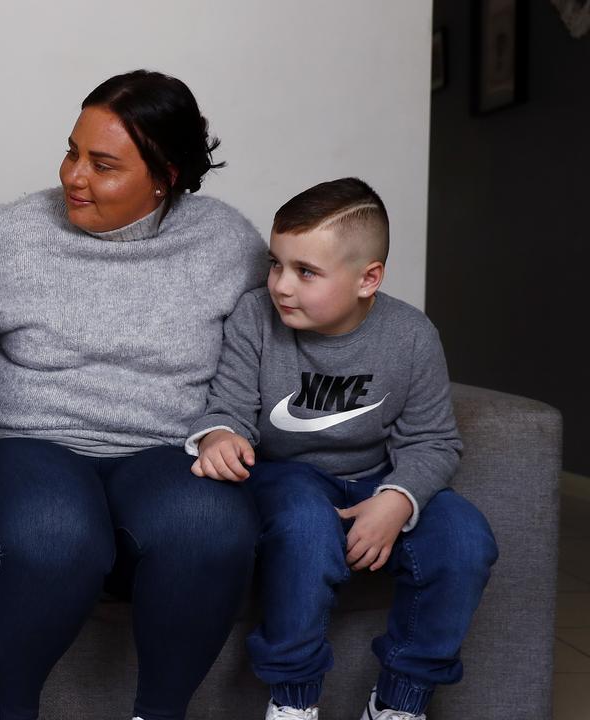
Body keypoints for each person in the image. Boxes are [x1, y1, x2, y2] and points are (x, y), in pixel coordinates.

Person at [0, 70, 267, 720]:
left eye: (103, 164)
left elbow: (272, 348)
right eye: (71, 151)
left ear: (166, 175)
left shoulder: (228, 245)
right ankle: (7, 711)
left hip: (163, 449)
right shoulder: (7, 238)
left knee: (212, 527)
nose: (74, 176)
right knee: (56, 534)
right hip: (22, 442)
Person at [186, 177, 498, 720]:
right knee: (306, 528)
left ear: (368, 279)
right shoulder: (254, 318)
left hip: (375, 475)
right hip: (284, 476)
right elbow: (228, 407)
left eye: (306, 272)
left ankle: (399, 703)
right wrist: (219, 436)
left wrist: (397, 498)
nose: (282, 285)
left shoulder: (411, 335)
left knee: (465, 539)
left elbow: (434, 441)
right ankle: (293, 700)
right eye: (276, 263)